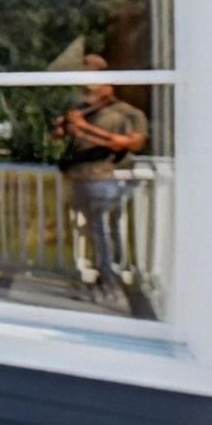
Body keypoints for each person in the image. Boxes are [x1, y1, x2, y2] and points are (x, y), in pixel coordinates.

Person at [58, 55, 148, 302]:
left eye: (95, 81)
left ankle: (112, 284)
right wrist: (63, 126)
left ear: (111, 84)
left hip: (109, 178)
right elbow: (58, 136)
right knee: (94, 233)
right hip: (82, 176)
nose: (90, 90)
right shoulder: (83, 111)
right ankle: (103, 279)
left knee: (108, 232)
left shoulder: (128, 113)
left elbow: (131, 144)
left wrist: (85, 127)